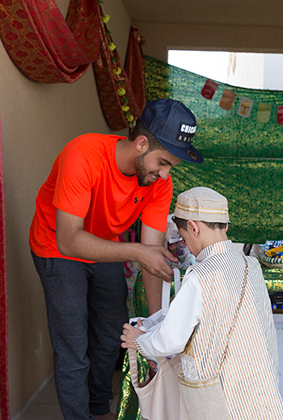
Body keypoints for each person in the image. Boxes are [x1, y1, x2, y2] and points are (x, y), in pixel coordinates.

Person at [29, 98, 203, 420]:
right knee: (74, 346)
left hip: (103, 245)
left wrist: (155, 329)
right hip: (57, 246)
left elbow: (152, 256)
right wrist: (136, 251)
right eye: (163, 162)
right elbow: (70, 240)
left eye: (170, 167)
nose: (165, 174)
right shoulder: (83, 155)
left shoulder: (159, 183)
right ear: (141, 144)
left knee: (112, 334)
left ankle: (98, 409)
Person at [120, 187, 283, 420]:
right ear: (225, 225)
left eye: (185, 238)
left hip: (222, 399)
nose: (187, 245)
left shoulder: (200, 276)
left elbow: (171, 340)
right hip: (260, 390)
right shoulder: (252, 266)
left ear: (193, 228)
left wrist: (139, 339)